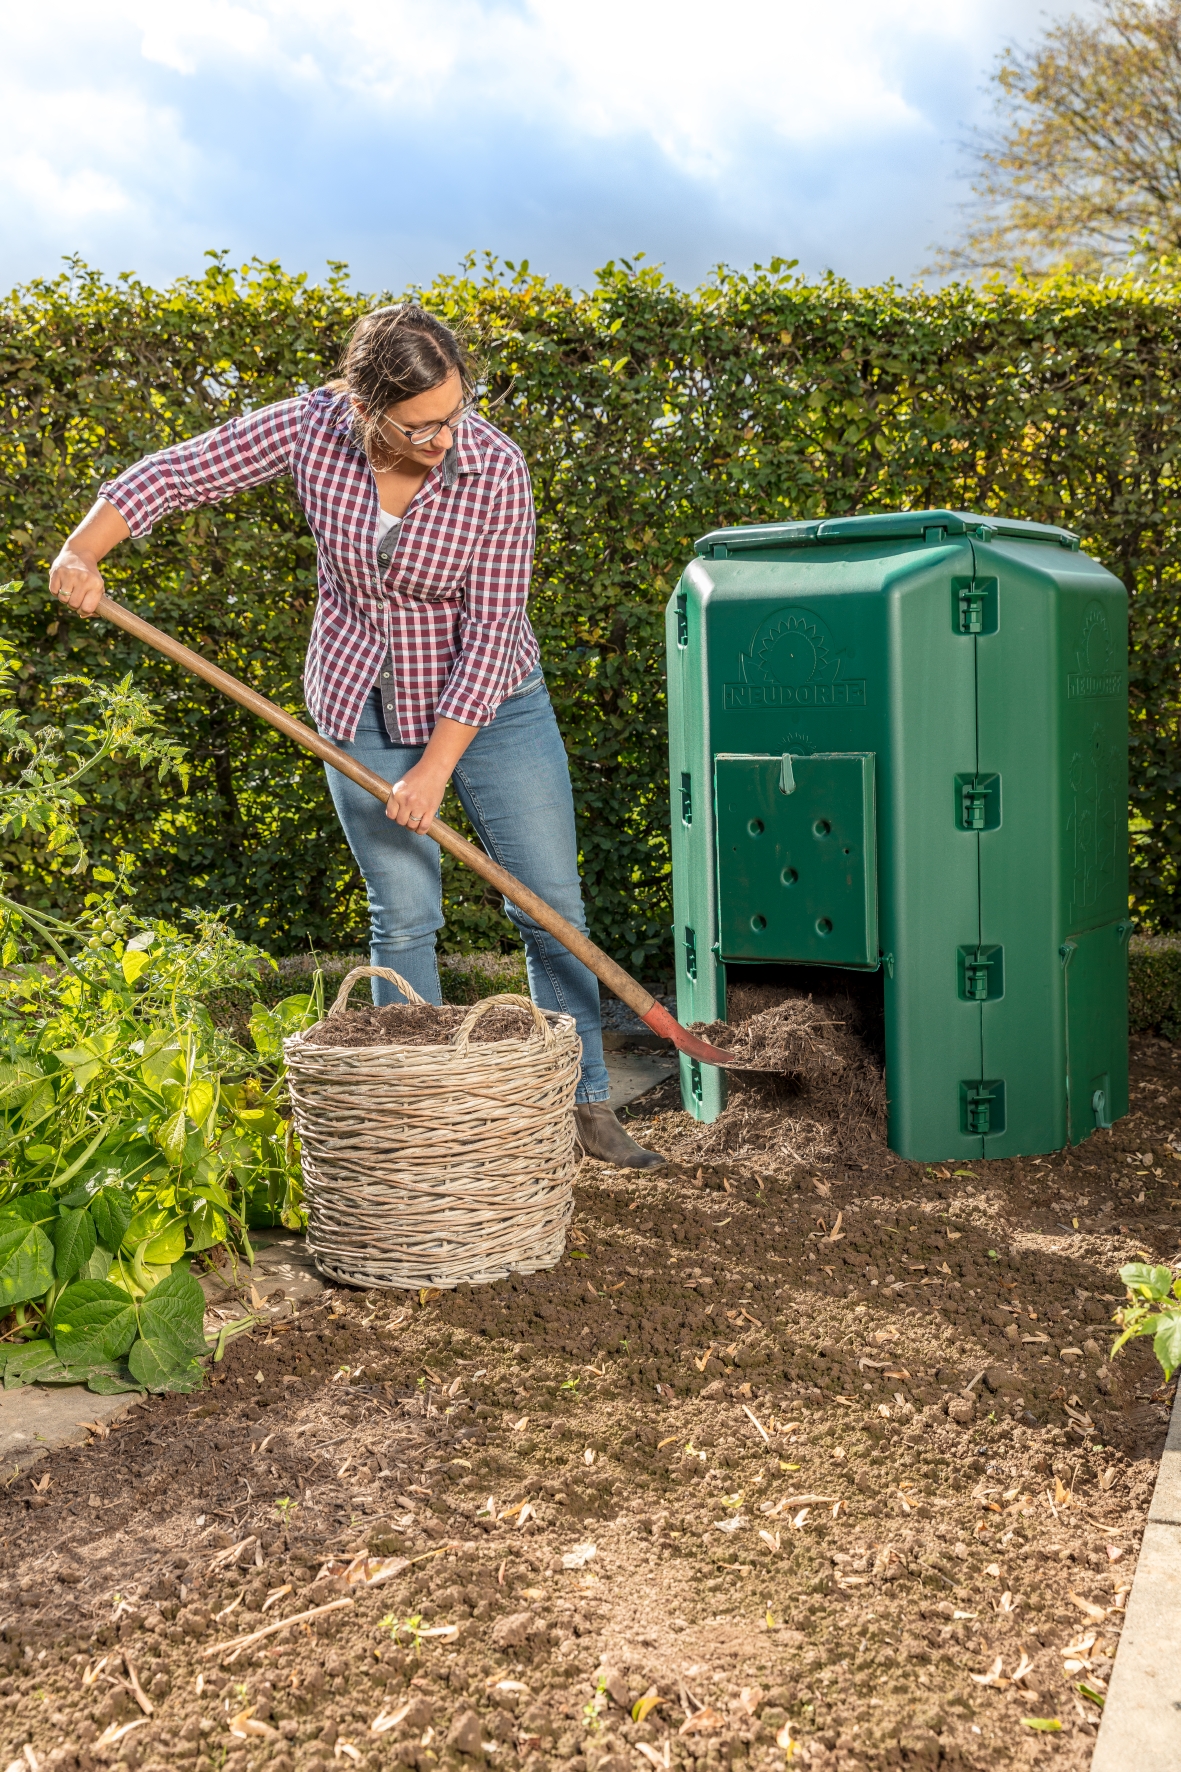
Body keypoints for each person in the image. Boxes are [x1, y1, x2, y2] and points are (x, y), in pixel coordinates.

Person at [49, 303, 662, 1170]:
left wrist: (436, 768)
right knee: (405, 913)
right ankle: (420, 1122)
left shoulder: (494, 469)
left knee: (549, 904)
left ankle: (584, 1101)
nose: (446, 437)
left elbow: (491, 636)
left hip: (489, 708)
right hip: (361, 704)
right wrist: (83, 549)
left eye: (455, 412)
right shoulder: (311, 428)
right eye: (421, 425)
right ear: (364, 406)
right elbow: (180, 473)